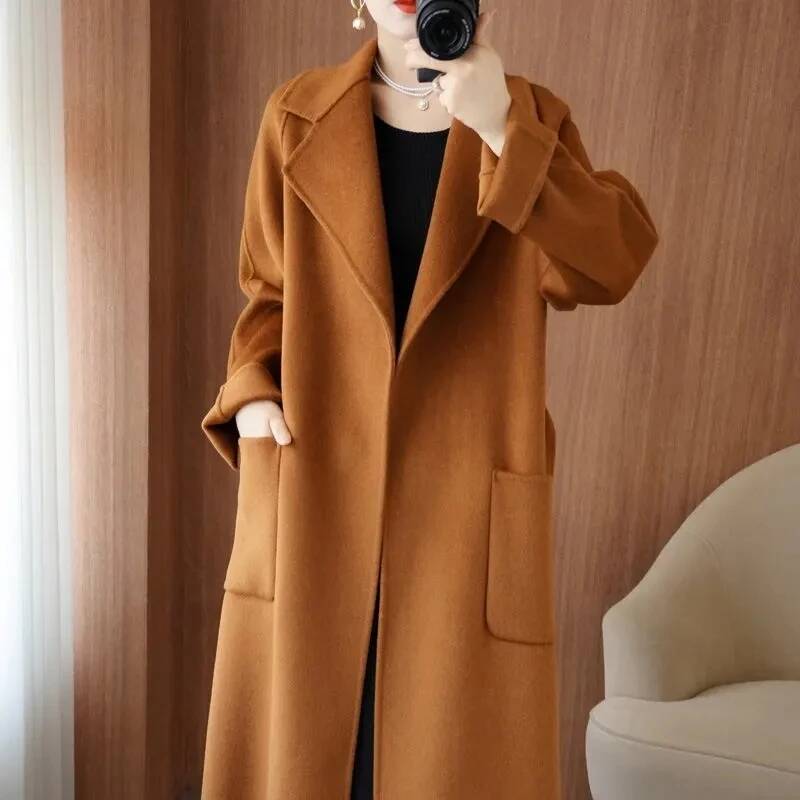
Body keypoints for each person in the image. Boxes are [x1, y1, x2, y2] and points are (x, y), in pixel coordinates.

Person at [200, 2, 660, 797]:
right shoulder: (295, 116)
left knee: (441, 758)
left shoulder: (531, 119)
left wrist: (503, 129)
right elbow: (267, 297)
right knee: (311, 756)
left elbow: (610, 262)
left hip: (463, 529)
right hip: (314, 495)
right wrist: (251, 397)